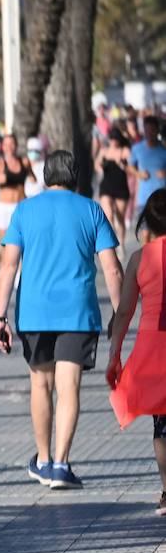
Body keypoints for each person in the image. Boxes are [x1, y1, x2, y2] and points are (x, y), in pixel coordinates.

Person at [0, 151, 122, 490]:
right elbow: (111, 267)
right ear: (76, 176)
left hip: (34, 312)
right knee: (70, 388)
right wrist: (120, 315)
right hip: (78, 311)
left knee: (41, 384)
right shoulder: (91, 210)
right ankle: (62, 465)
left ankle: (44, 458)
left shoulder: (24, 210)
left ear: (45, 176)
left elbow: (7, 266)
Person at [108, 189, 166, 515]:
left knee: (162, 424)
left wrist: (114, 356)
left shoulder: (139, 259)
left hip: (153, 350)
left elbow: (125, 312)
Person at [0, 133, 34, 247]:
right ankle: (5, 264)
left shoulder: (24, 162)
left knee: (22, 243)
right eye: (6, 144)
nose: (9, 147)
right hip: (4, 208)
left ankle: (21, 265)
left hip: (20, 206)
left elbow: (34, 179)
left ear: (16, 145)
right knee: (6, 244)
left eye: (12, 144)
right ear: (3, 146)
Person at [97, 128, 134, 243]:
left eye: (115, 139)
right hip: (106, 186)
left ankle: (121, 243)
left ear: (119, 140)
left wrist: (122, 165)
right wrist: (100, 168)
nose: (113, 142)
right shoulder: (104, 151)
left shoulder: (125, 151)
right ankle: (111, 239)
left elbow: (133, 170)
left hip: (121, 187)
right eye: (111, 139)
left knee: (120, 217)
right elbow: (97, 164)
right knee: (108, 214)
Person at [128, 116, 166, 220]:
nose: (149, 133)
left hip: (161, 199)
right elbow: (130, 167)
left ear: (157, 130)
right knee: (145, 233)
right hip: (144, 198)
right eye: (147, 130)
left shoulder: (163, 150)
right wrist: (138, 174)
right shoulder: (137, 148)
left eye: (152, 130)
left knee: (159, 233)